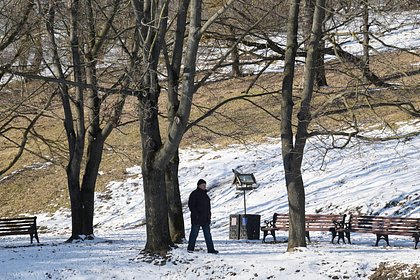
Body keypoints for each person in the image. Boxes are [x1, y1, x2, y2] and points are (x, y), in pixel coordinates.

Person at [187, 179, 219, 254]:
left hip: (205, 218)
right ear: (199, 185)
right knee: (194, 234)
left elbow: (208, 207)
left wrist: (209, 215)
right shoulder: (194, 194)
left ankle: (211, 249)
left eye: (205, 185)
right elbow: (191, 206)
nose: (204, 186)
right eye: (203, 185)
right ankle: (190, 249)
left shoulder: (205, 195)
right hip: (197, 218)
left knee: (208, 234)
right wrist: (196, 214)